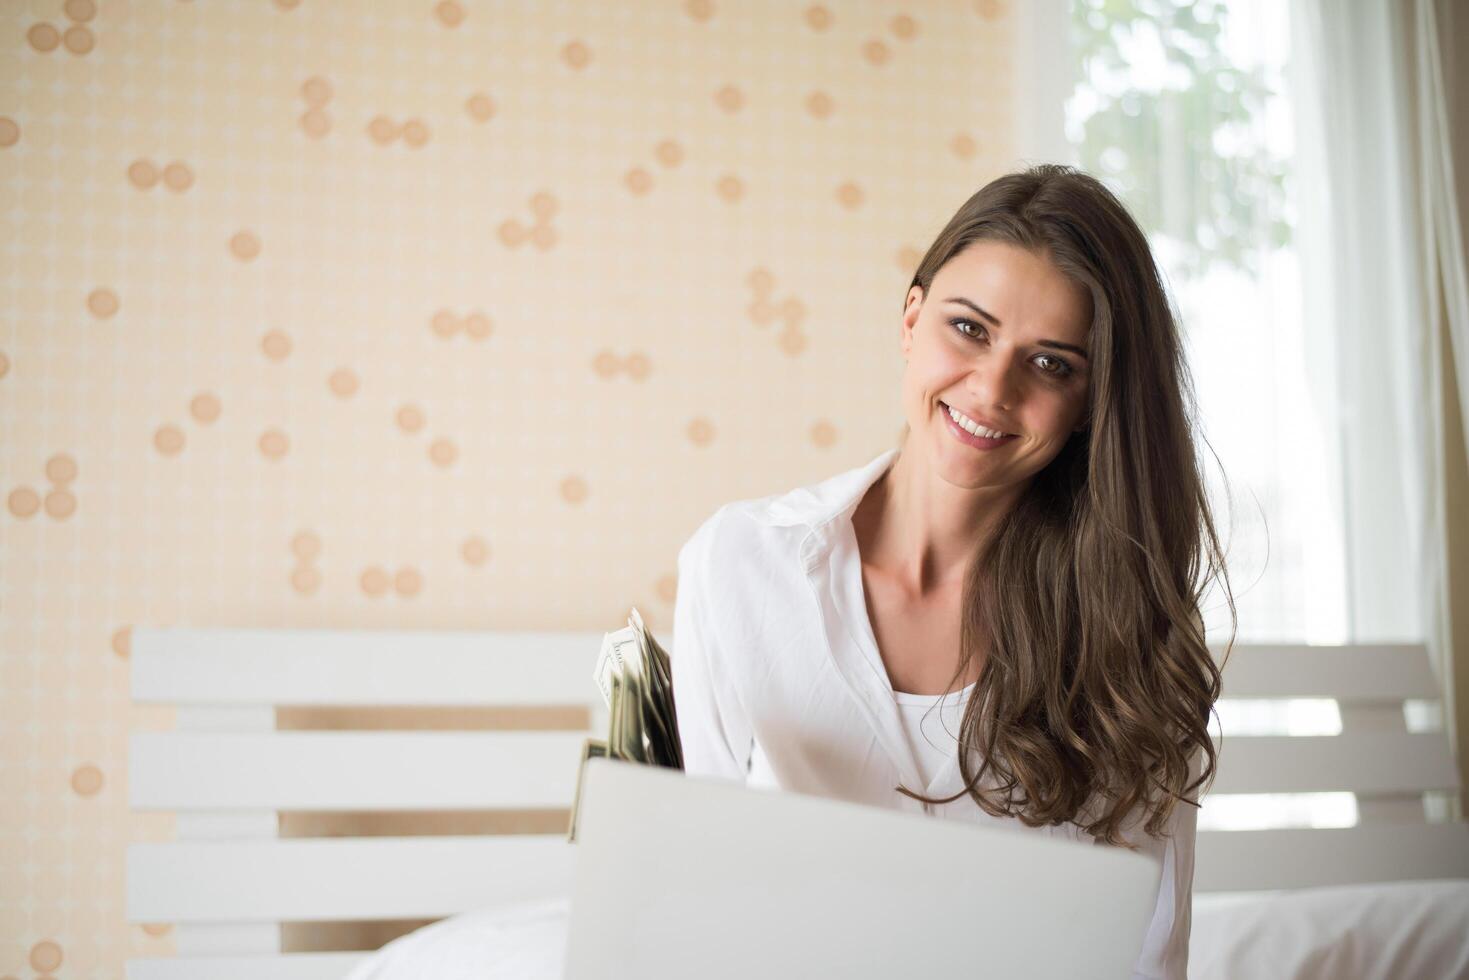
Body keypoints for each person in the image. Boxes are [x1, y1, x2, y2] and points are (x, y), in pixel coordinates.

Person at [670, 163, 1234, 980]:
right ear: (910, 318)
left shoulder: (1128, 636)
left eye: (1051, 365)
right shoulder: (740, 566)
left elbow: (1147, 954)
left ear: (1090, 404)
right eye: (968, 329)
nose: (992, 387)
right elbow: (704, 900)